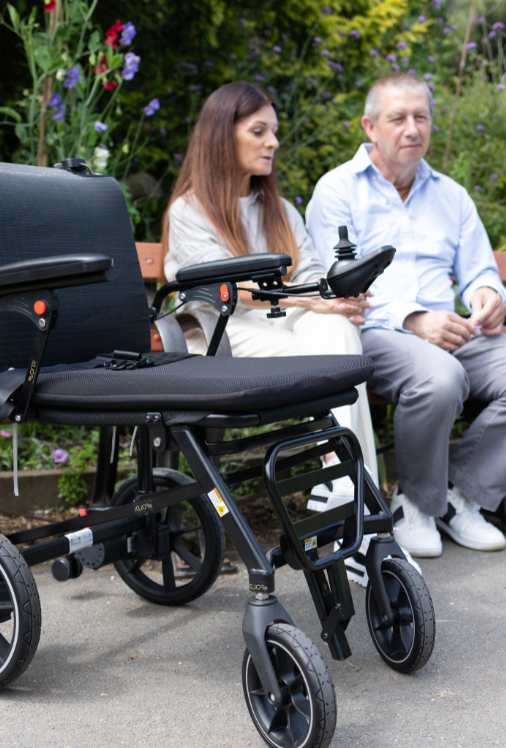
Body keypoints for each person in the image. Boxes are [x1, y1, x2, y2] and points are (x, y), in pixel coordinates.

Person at [306, 72, 506, 562]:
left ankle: (458, 495)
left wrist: (488, 296)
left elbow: (479, 270)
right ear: (370, 126)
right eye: (398, 118)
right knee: (440, 375)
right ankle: (415, 505)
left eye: (421, 117)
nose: (413, 128)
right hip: (374, 333)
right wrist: (413, 319)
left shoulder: (451, 195)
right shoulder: (337, 191)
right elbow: (337, 287)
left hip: (456, 333)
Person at [162, 82, 383, 531]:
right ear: (223, 135)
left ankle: (346, 490)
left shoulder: (278, 208)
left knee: (339, 330)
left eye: (274, 131)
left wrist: (337, 297)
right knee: (332, 352)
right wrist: (310, 299)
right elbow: (224, 287)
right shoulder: (189, 211)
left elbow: (311, 272)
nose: (274, 143)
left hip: (283, 324)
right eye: (259, 131)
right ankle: (360, 504)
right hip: (219, 332)